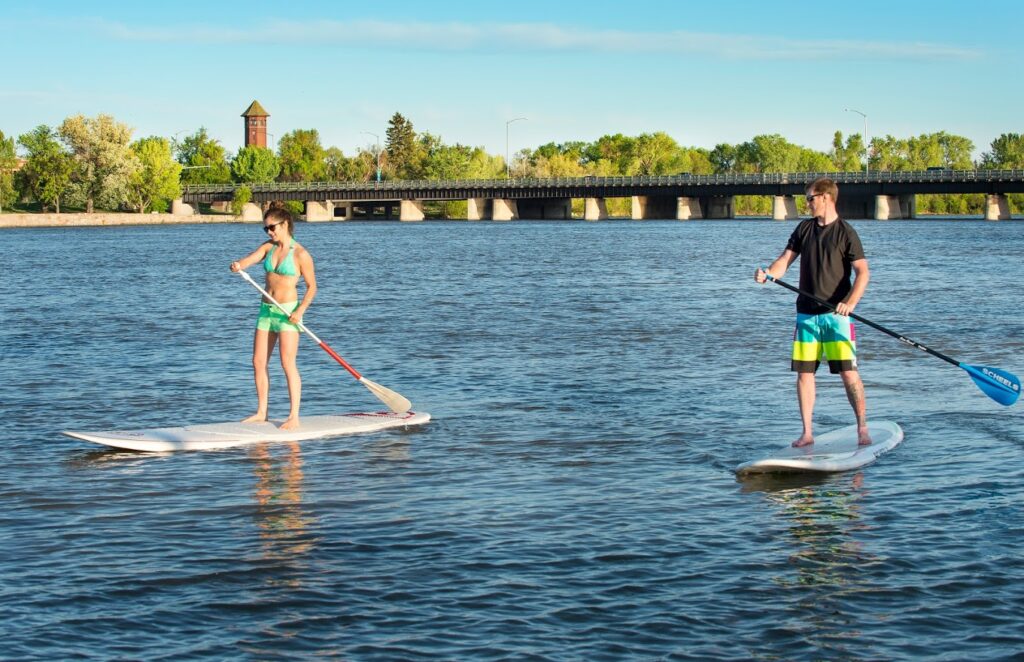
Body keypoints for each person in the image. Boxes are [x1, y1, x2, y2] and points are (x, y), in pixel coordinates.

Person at [755, 177, 871, 447]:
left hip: (837, 317)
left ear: (825, 198)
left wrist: (850, 302)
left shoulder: (846, 232)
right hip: (806, 315)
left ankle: (862, 428)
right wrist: (769, 273)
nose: (806, 203)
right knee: (805, 374)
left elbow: (863, 273)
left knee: (848, 373)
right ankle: (807, 433)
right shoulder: (804, 229)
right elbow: (785, 259)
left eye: (810, 198)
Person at [230, 207, 317, 430]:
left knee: (287, 363)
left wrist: (300, 311)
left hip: (288, 313)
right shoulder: (268, 248)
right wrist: (239, 265)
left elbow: (312, 287)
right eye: (265, 228)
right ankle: (262, 412)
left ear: (285, 224)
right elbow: (250, 259)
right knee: (258, 362)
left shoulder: (300, 254)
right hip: (266, 311)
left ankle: (293, 416)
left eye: (272, 227)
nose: (268, 232)